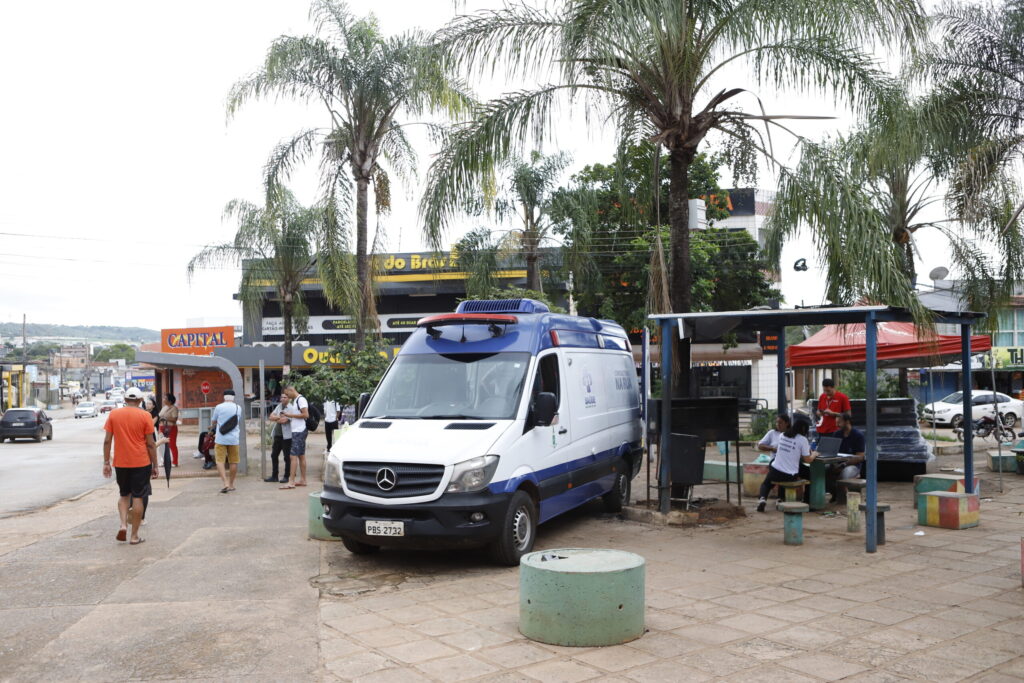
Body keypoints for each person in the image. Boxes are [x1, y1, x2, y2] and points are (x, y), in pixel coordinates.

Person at [102, 386, 158, 544]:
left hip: (121, 462)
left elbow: (107, 440)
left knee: (124, 495)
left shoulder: (114, 414)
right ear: (140, 400)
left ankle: (122, 525)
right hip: (141, 462)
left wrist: (106, 462)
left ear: (125, 400)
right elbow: (151, 444)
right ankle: (134, 536)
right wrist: (155, 465)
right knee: (139, 497)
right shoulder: (145, 415)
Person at [756, 417, 817, 512]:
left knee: (766, 483)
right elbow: (807, 460)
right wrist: (814, 454)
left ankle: (762, 499)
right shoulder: (802, 439)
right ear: (804, 429)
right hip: (790, 475)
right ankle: (807, 501)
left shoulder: (782, 435)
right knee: (808, 473)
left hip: (775, 471)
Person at [210, 389, 243, 494]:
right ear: (233, 397)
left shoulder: (219, 407)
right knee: (233, 461)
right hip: (234, 439)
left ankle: (225, 483)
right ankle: (232, 484)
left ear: (224, 397)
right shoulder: (238, 408)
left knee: (220, 461)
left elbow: (214, 421)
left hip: (221, 438)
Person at [279, 384, 309, 489]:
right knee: (301, 455)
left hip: (299, 431)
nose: (287, 396)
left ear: (291, 390)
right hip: (298, 431)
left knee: (293, 456)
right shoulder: (296, 400)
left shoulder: (301, 400)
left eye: (287, 394)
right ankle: (303, 480)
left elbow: (306, 415)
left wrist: (290, 415)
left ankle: (291, 481)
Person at [265, 394, 292, 483]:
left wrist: (276, 418)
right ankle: (274, 476)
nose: (283, 399)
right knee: (274, 455)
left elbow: (284, 420)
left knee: (287, 457)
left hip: (286, 436)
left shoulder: (291, 408)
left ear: (289, 399)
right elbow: (271, 416)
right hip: (277, 435)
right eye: (281, 397)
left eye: (285, 397)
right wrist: (279, 417)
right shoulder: (279, 406)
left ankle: (287, 476)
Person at [157, 393, 180, 467]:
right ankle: (164, 461)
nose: (163, 399)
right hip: (162, 427)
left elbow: (174, 419)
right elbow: (159, 416)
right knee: (162, 445)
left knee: (172, 445)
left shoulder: (174, 408)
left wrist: (165, 418)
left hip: (171, 428)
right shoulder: (164, 407)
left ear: (169, 401)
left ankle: (175, 462)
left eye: (165, 398)